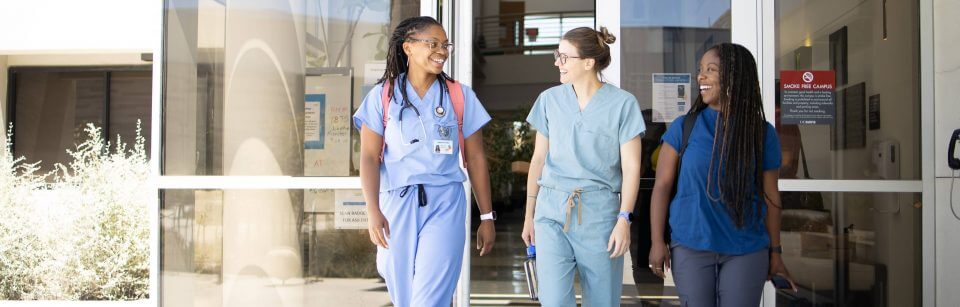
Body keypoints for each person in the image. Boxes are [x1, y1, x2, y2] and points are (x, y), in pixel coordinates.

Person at [352, 16, 496, 307]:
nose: (441, 51)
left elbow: (476, 158)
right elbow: (368, 157)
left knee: (430, 299)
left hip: (445, 202)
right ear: (408, 47)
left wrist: (486, 216)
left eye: (445, 45)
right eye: (432, 44)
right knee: (403, 295)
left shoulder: (458, 96)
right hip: (396, 204)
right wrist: (372, 210)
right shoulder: (383, 96)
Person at [648, 43, 797, 307]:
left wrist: (776, 252)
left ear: (733, 76)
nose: (700, 77)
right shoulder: (685, 127)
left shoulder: (761, 133)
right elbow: (661, 187)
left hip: (746, 249)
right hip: (691, 245)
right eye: (700, 70)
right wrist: (657, 241)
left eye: (710, 70)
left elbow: (772, 198)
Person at [521, 26, 646, 307]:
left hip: (600, 216)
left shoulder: (623, 104)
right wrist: (530, 214)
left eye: (564, 57)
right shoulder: (549, 100)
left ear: (588, 62)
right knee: (553, 301)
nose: (556, 62)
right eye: (557, 55)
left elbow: (631, 168)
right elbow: (538, 160)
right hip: (551, 211)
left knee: (602, 301)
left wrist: (624, 219)